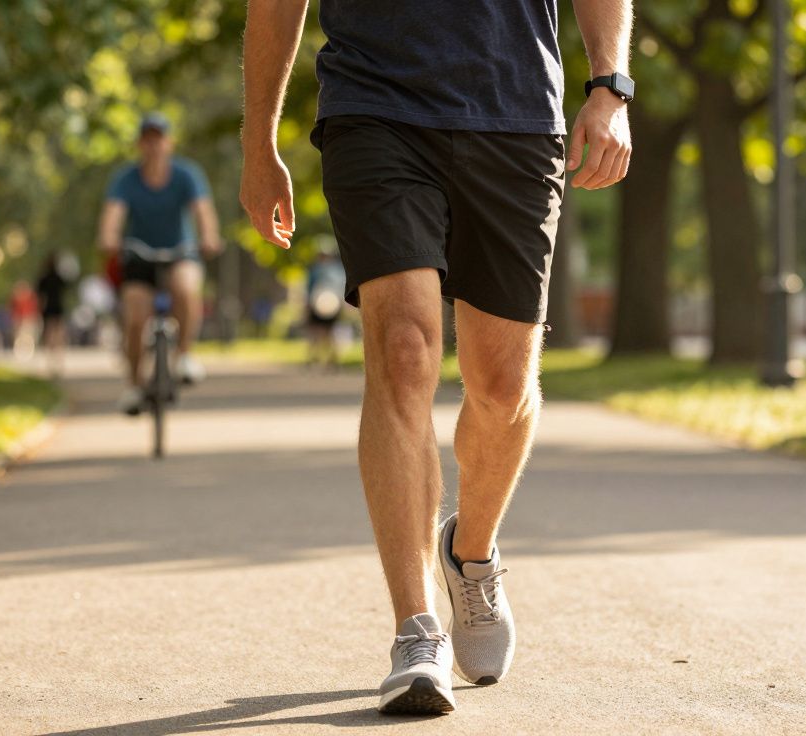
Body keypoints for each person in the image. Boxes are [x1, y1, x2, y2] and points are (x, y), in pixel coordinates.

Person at [240, 0, 635, 716]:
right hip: (375, 103)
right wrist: (257, 137)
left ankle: (470, 555)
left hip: (516, 110)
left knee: (503, 386)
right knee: (405, 348)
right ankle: (415, 629)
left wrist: (610, 87)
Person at [99, 113, 222, 415]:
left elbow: (203, 211)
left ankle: (183, 355)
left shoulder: (186, 175)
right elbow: (112, 215)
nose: (154, 145)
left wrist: (209, 237)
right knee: (135, 317)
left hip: (181, 251)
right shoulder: (126, 179)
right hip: (139, 254)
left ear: (169, 143)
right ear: (140, 144)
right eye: (148, 139)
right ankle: (132, 386)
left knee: (185, 287)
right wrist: (108, 237)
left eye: (159, 138)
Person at [305, 246, 347, 370]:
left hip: (322, 302)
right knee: (328, 332)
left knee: (318, 332)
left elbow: (310, 289)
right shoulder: (339, 270)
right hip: (333, 304)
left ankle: (316, 359)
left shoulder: (316, 270)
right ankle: (330, 359)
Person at [36, 252, 70, 378]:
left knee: (50, 334)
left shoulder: (44, 278)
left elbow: (39, 295)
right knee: (58, 335)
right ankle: (58, 361)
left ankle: (51, 362)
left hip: (49, 309)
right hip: (57, 308)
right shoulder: (58, 277)